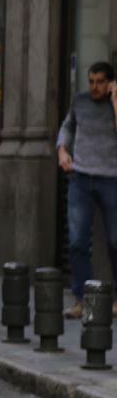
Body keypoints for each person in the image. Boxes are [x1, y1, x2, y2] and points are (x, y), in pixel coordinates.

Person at [57, 61, 117, 318]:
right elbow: (68, 126)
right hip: (80, 177)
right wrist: (61, 150)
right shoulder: (79, 101)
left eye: (100, 82)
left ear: (111, 83)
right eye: (91, 81)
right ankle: (82, 299)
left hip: (111, 179)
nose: (94, 87)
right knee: (78, 241)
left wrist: (115, 101)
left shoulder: (113, 105)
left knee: (116, 241)